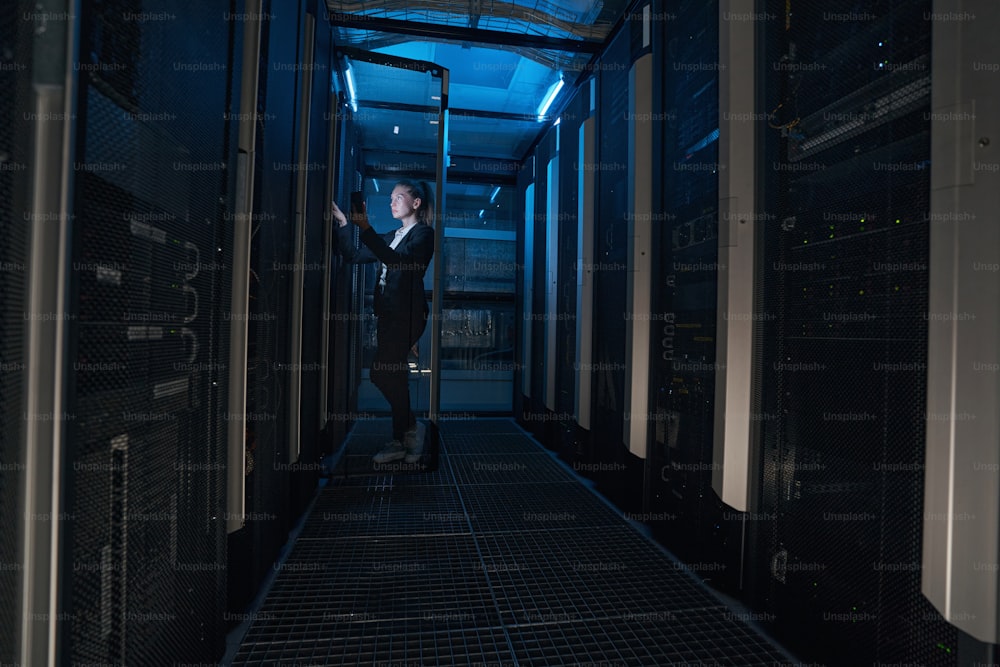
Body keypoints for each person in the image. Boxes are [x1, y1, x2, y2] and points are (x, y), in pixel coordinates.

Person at [332, 181, 435, 464]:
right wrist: (344, 225)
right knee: (395, 378)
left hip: (407, 316)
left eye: (398, 198)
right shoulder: (392, 234)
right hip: (389, 316)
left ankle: (409, 430)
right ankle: (404, 438)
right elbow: (353, 256)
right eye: (390, 198)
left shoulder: (424, 234)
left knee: (380, 373)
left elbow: (399, 262)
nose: (392, 203)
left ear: (416, 203)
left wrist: (364, 227)